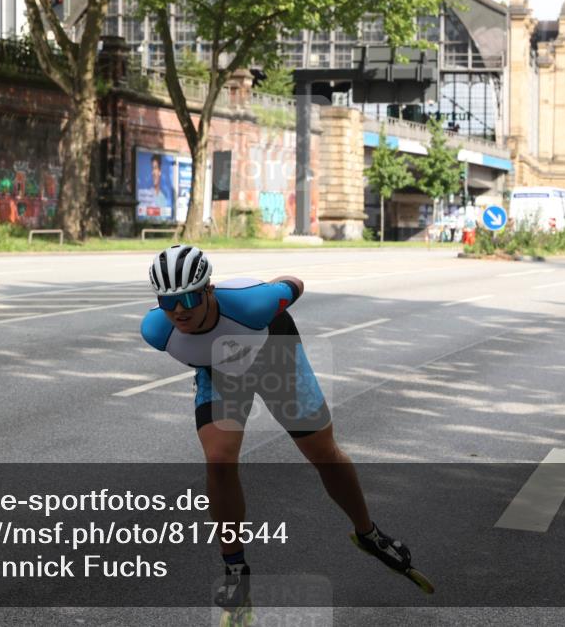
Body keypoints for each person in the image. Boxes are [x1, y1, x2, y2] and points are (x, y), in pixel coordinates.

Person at [140, 244, 419, 612]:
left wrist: (271, 292)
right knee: (219, 461)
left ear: (209, 290)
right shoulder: (156, 330)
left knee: (323, 454)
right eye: (167, 301)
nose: (178, 310)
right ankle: (235, 568)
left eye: (189, 298)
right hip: (222, 370)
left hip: (276, 355)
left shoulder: (253, 305)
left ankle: (368, 532)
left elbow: (295, 282)